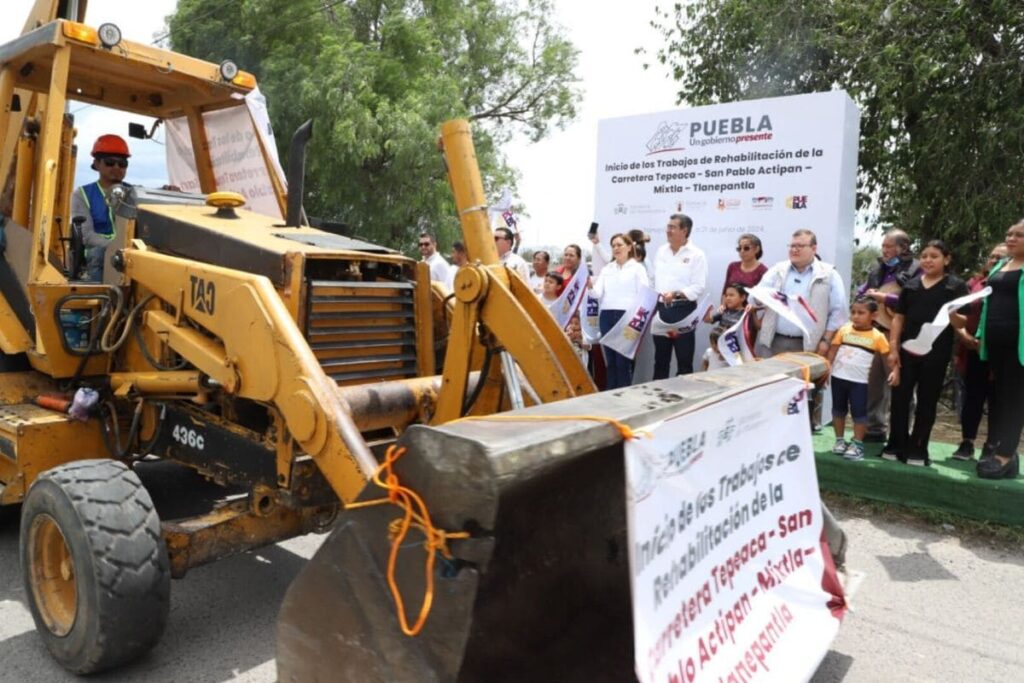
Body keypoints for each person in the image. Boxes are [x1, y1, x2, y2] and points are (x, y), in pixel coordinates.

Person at [885, 240, 968, 466]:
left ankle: (918, 449)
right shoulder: (911, 285)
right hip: (907, 350)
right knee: (900, 398)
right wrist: (893, 348)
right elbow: (898, 318)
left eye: (934, 256)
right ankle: (895, 444)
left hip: (936, 353)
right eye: (924, 256)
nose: (928, 260)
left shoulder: (955, 286)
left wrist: (953, 314)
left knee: (927, 400)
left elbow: (962, 321)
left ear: (946, 260)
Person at [964, 222, 1024, 479]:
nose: (1011, 238)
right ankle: (1003, 451)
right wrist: (980, 334)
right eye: (1009, 234)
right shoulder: (1001, 266)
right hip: (995, 343)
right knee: (1000, 397)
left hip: (1018, 345)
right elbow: (989, 304)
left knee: (1015, 399)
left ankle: (1005, 455)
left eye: (1019, 235)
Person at [857, 229, 921, 442]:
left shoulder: (917, 269)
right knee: (874, 383)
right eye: (883, 246)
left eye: (889, 246)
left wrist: (887, 299)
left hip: (900, 334)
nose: (884, 250)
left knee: (901, 385)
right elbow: (864, 291)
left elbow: (915, 300)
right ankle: (875, 429)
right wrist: (864, 296)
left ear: (903, 247)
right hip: (875, 332)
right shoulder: (878, 269)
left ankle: (902, 431)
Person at [951, 243, 1008, 460]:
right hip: (973, 350)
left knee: (998, 400)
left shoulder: (1015, 284)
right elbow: (957, 313)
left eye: (1001, 258)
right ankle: (967, 443)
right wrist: (964, 335)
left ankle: (992, 445)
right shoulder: (974, 284)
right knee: (973, 397)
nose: (994, 260)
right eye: (992, 256)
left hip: (1002, 353)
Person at [756, 229, 848, 358]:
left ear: (814, 248)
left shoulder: (829, 274)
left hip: (809, 346)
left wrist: (826, 340)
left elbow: (839, 312)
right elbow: (756, 297)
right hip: (772, 342)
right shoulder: (777, 270)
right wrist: (759, 298)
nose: (794, 250)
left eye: (800, 246)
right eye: (792, 246)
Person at [826, 297, 892, 462]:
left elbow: (887, 358)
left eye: (861, 313)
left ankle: (857, 444)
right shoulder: (844, 330)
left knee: (859, 413)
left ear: (874, 315)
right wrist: (827, 368)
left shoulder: (878, 337)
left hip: (860, 383)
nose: (855, 316)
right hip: (838, 379)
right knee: (838, 410)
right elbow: (833, 351)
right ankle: (839, 440)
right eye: (853, 312)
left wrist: (893, 373)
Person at [70, 134, 133, 282]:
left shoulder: (134, 193)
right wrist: (117, 247)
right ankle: (99, 294)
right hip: (98, 257)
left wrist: (167, 191)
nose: (117, 167)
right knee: (97, 254)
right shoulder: (82, 194)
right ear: (97, 163)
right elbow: (87, 236)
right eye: (110, 162)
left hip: (130, 254)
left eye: (122, 164)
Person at [592, 233, 649, 390]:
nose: (616, 248)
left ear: (629, 247)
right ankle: (610, 395)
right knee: (610, 362)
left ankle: (623, 396)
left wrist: (635, 320)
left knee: (623, 362)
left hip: (627, 317)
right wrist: (590, 287)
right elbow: (597, 293)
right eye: (613, 246)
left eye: (619, 245)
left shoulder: (637, 268)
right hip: (607, 316)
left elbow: (644, 294)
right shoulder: (607, 269)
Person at [652, 214, 707, 378]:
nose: (668, 230)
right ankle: (657, 394)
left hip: (684, 311)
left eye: (672, 227)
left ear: (684, 230)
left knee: (684, 360)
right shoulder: (661, 251)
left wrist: (676, 294)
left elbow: (698, 287)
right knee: (660, 361)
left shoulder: (697, 254)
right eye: (668, 227)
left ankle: (684, 393)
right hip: (662, 311)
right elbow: (654, 280)